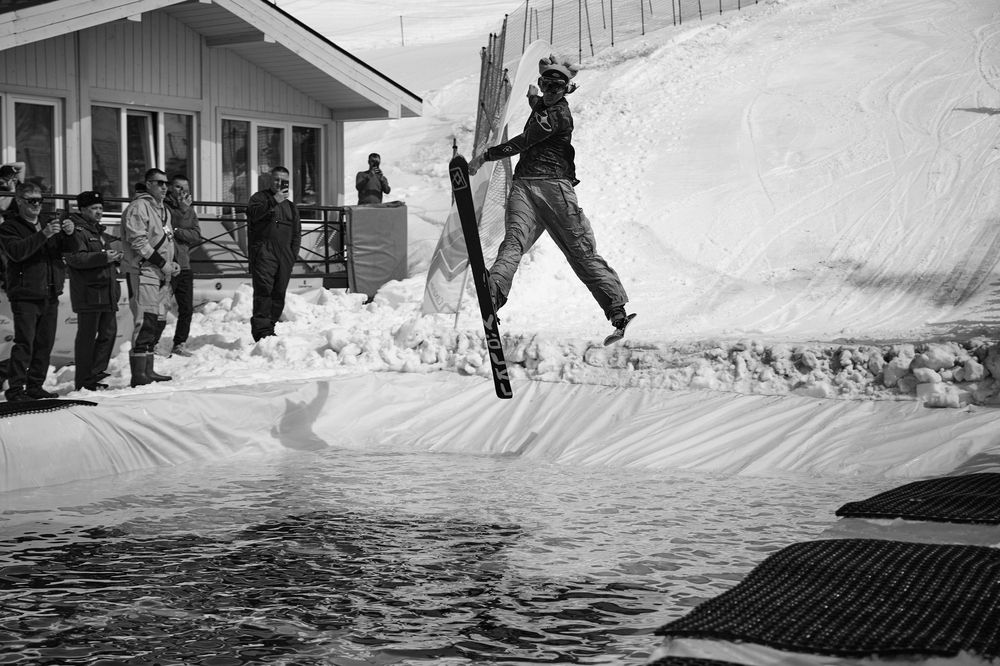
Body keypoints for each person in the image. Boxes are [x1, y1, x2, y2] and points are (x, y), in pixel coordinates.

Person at [469, 55, 632, 334]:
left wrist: (486, 156)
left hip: (553, 187)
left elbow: (526, 139)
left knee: (579, 249)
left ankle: (615, 307)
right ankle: (494, 291)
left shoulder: (559, 115)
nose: (549, 91)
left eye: (556, 87)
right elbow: (542, 104)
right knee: (513, 242)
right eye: (546, 85)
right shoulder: (546, 102)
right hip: (524, 185)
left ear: (564, 89)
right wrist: (534, 97)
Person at [0, 182, 76, 401]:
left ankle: (35, 385)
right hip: (25, 293)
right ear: (20, 201)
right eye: (32, 200)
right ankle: (15, 389)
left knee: (45, 344)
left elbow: (69, 249)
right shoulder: (9, 227)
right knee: (25, 343)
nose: (37, 205)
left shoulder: (47, 223)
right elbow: (17, 252)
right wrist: (43, 234)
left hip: (50, 292)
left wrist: (69, 234)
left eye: (40, 200)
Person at [121, 168, 180, 387]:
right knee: (144, 321)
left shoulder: (163, 209)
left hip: (161, 273)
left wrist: (171, 263)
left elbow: (166, 240)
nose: (165, 187)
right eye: (159, 183)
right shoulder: (139, 207)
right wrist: (162, 263)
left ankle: (148, 368)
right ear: (148, 184)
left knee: (157, 322)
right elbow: (138, 242)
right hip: (145, 271)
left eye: (166, 183)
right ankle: (139, 374)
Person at [64, 191, 122, 391]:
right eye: (94, 208)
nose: (99, 212)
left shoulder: (99, 231)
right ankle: (83, 381)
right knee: (87, 338)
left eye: (100, 208)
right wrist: (103, 257)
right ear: (82, 210)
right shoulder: (75, 231)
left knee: (109, 333)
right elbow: (75, 259)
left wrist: (117, 254)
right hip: (89, 293)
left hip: (107, 291)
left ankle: (95, 374)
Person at [246, 165, 301, 341]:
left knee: (279, 293)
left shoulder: (291, 207)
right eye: (276, 179)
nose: (279, 183)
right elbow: (253, 214)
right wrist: (273, 201)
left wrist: (292, 256)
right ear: (270, 180)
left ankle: (270, 327)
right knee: (264, 291)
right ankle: (261, 333)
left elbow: (296, 233)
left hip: (284, 256)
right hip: (264, 252)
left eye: (283, 181)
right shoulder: (259, 198)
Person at [164, 174, 202, 357]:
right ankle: (151, 342)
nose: (182, 192)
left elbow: (196, 235)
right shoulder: (164, 206)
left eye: (185, 189)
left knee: (186, 308)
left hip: (184, 264)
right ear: (171, 187)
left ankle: (179, 343)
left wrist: (179, 232)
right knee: (160, 307)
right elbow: (167, 228)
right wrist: (182, 212)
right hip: (166, 263)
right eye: (178, 187)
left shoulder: (189, 210)